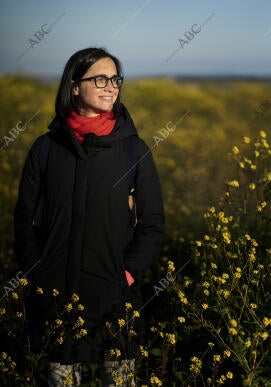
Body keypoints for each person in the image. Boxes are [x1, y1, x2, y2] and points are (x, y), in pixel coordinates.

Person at [13, 47, 165, 386]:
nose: (111, 86)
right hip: (57, 302)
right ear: (74, 84)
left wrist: (125, 274)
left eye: (115, 79)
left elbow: (153, 224)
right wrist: (38, 275)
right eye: (100, 78)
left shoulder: (133, 150)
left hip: (115, 299)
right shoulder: (46, 148)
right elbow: (23, 219)